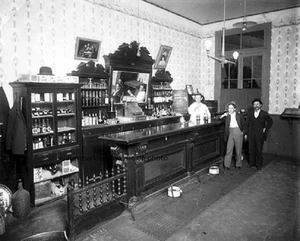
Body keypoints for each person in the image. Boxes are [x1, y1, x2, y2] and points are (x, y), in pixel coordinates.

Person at [244, 98, 273, 171]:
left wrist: (265, 128)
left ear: (261, 105)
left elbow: (270, 122)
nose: (256, 105)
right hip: (251, 134)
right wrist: (246, 133)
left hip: (260, 135)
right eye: (254, 104)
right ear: (253, 105)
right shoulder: (250, 113)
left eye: (258, 104)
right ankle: (251, 163)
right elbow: (247, 124)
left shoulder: (264, 113)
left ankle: (259, 165)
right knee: (251, 149)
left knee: (259, 150)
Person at [219, 102, 245, 172]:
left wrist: (243, 132)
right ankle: (227, 165)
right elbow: (217, 118)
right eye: (229, 108)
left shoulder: (239, 116)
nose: (230, 109)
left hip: (238, 131)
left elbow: (244, 124)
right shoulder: (227, 116)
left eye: (231, 108)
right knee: (228, 149)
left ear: (235, 109)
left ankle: (238, 164)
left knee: (238, 150)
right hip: (230, 132)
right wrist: (223, 115)